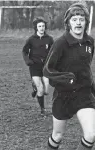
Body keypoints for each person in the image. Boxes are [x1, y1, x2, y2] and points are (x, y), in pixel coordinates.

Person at [43, 3, 95, 150]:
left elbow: (86, 68)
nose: (78, 22)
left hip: (84, 94)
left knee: (91, 135)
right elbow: (47, 70)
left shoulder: (90, 42)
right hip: (63, 96)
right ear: (68, 23)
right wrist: (64, 78)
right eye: (74, 19)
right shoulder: (60, 43)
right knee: (58, 135)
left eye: (81, 19)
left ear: (86, 22)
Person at [22, 17, 54, 116]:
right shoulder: (31, 39)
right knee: (40, 88)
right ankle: (42, 110)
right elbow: (24, 51)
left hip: (45, 66)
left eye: (43, 26)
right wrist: (28, 61)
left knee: (46, 90)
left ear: (45, 27)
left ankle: (35, 88)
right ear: (36, 27)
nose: (41, 28)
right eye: (39, 26)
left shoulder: (49, 39)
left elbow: (53, 51)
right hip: (34, 65)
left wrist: (53, 61)